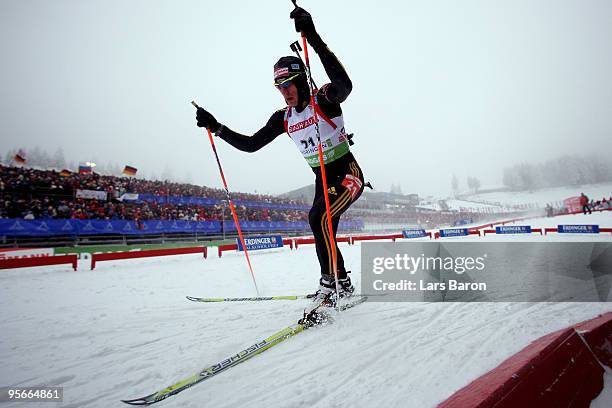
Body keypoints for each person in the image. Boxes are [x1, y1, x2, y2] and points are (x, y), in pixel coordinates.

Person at [195, 7, 365, 311]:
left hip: (347, 173)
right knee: (323, 226)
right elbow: (250, 145)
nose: (283, 92)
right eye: (279, 87)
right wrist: (216, 127)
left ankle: (329, 286)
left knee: (319, 218)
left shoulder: (322, 100)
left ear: (301, 81)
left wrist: (311, 35)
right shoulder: (283, 118)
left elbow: (346, 87)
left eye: (287, 85)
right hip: (321, 178)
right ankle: (342, 281)